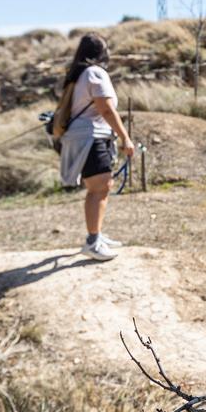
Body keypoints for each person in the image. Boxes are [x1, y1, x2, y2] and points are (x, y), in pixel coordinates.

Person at [58, 33, 135, 261]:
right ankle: (92, 242)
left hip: (83, 137)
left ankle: (96, 235)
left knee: (100, 187)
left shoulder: (78, 75)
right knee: (99, 187)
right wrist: (125, 138)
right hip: (91, 136)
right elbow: (106, 110)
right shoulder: (95, 73)